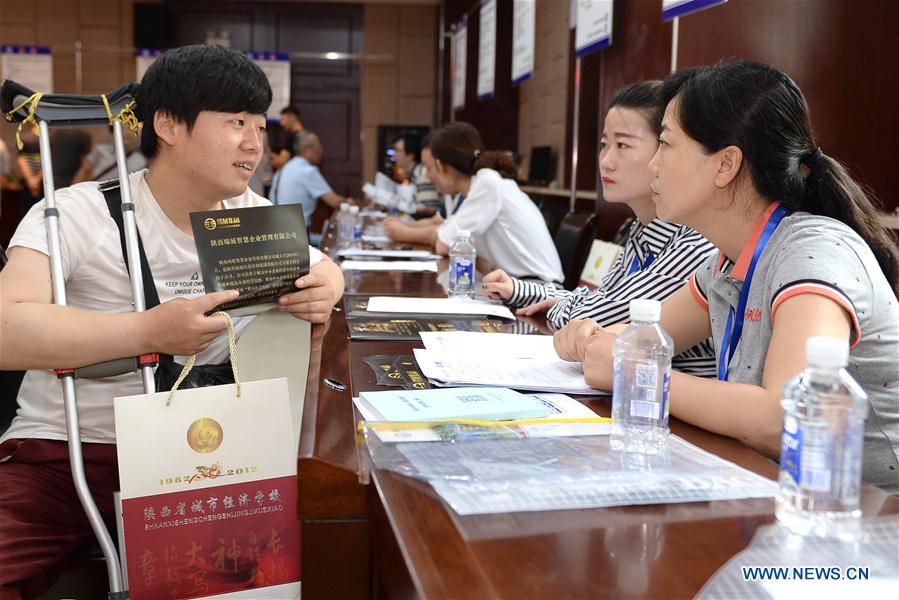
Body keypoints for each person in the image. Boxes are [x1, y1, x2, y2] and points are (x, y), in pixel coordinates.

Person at [0, 44, 345, 597]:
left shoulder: (251, 217)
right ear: (168, 125)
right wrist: (150, 332)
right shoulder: (74, 213)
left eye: (260, 125)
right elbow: (6, 330)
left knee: (301, 566)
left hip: (206, 454)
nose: (255, 142)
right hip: (69, 454)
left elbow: (326, 271)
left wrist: (326, 288)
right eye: (235, 122)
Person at [555, 61, 899, 494]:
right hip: (773, 489)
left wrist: (630, 368)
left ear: (725, 165)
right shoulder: (728, 261)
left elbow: (783, 417)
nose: (654, 165)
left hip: (867, 519)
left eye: (665, 144)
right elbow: (644, 336)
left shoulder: (813, 252)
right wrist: (591, 339)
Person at [482, 82, 717, 376]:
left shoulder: (696, 241)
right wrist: (521, 289)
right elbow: (602, 300)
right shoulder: (639, 232)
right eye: (605, 145)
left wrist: (566, 306)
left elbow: (594, 317)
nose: (605, 161)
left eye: (623, 145)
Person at [430, 122, 564, 283]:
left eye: (429, 167)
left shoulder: (487, 182)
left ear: (440, 165)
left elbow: (443, 244)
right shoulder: (481, 185)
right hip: (521, 286)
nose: (428, 175)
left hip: (539, 288)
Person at [383, 133, 466, 246]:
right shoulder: (450, 194)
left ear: (444, 165)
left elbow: (448, 240)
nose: (427, 175)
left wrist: (403, 232)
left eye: (429, 167)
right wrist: (402, 225)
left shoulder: (471, 193)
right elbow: (437, 221)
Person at [270, 130, 351, 243]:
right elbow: (334, 202)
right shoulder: (307, 171)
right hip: (297, 235)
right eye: (318, 146)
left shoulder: (284, 168)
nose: (321, 150)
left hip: (276, 232)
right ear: (307, 150)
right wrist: (351, 202)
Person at [393, 133, 440, 210]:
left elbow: (430, 206)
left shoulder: (422, 173)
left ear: (411, 154)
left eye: (397, 150)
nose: (394, 154)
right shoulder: (415, 173)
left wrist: (397, 205)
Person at [16, 124, 42, 213]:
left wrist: (31, 180)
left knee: (27, 213)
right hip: (41, 183)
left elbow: (21, 160)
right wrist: (36, 180)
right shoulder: (48, 139)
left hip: (29, 183)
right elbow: (48, 161)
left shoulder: (22, 137)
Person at [270, 104, 303, 171]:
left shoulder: (293, 138)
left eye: (283, 119)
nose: (281, 124)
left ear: (292, 117)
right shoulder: (307, 136)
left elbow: (281, 162)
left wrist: (264, 162)